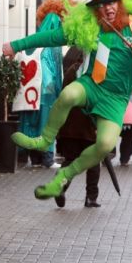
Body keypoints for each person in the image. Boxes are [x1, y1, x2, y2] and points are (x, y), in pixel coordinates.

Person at [2, 0, 132, 200]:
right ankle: (45, 140)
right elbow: (51, 37)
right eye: (101, 4)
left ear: (120, 1)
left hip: (116, 98)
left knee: (105, 145)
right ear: (95, 9)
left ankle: (65, 175)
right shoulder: (90, 26)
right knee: (68, 94)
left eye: (112, 2)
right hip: (92, 85)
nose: (108, 8)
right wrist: (15, 45)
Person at [14, 0, 64, 169]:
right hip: (46, 88)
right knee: (46, 121)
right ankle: (47, 158)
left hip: (32, 88)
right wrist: (57, 89)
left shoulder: (36, 41)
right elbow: (54, 67)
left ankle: (33, 158)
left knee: (31, 120)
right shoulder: (54, 31)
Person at [55, 46, 101, 208]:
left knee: (71, 160)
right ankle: (91, 197)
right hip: (88, 126)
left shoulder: (71, 72)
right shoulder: (96, 75)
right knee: (94, 162)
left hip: (70, 126)